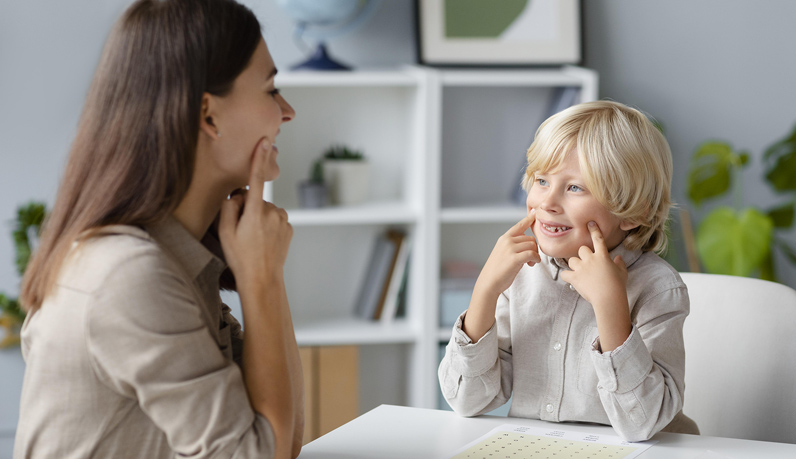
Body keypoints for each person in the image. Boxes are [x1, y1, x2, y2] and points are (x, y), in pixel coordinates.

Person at [14, 1, 303, 457]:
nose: (287, 112)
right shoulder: (127, 275)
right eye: (271, 90)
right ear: (208, 115)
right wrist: (261, 279)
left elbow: (282, 441)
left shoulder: (177, 255)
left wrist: (266, 268)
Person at [438, 100, 700, 442]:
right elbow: (467, 401)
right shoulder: (520, 275)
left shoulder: (659, 289)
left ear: (633, 212)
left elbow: (643, 424)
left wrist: (610, 304)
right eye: (542, 180)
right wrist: (485, 291)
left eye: (575, 187)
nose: (547, 203)